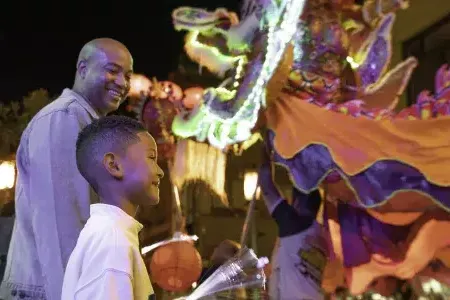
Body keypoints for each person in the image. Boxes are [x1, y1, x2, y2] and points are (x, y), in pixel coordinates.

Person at [0, 38, 133, 300]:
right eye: (112, 70)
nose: (122, 83)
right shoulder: (64, 119)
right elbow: (63, 227)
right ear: (82, 69)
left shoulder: (86, 124)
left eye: (128, 75)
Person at [61, 115, 163, 299]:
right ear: (114, 165)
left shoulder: (109, 233)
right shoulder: (113, 240)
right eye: (151, 157)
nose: (160, 171)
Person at [258, 138, 327, 300]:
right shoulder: (311, 232)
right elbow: (265, 183)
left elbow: (267, 185)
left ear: (297, 201)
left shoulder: (298, 227)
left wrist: (265, 146)